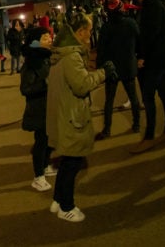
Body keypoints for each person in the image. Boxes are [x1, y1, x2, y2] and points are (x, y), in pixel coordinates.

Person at [46, 13, 112, 222]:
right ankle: (66, 206)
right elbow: (82, 84)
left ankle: (58, 200)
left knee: (68, 162)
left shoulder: (63, 53)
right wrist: (103, 73)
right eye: (89, 31)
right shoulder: (72, 56)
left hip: (65, 113)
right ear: (81, 31)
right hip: (71, 116)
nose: (90, 35)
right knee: (72, 163)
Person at [131, 0, 165, 153]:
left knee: (149, 97)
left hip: (154, 61)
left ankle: (150, 136)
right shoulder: (158, 5)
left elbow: (149, 36)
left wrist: (142, 57)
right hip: (161, 59)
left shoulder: (151, 9)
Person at [95, 0, 140, 140]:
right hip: (128, 65)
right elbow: (139, 41)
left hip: (111, 69)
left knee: (109, 101)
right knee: (133, 97)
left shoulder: (105, 28)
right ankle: (136, 125)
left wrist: (100, 68)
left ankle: (107, 130)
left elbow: (100, 51)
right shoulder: (131, 23)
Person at [21, 29, 56, 191]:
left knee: (51, 140)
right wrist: (46, 84)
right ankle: (38, 176)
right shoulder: (31, 62)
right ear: (35, 41)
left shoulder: (47, 57)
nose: (49, 39)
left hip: (50, 105)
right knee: (41, 142)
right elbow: (25, 89)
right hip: (38, 108)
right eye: (45, 37)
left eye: (49, 36)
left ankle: (45, 165)